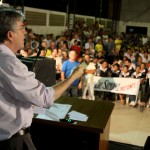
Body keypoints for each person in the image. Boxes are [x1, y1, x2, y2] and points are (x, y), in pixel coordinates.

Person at [0, 7, 84, 150]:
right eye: (22, 28)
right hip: (13, 141)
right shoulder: (9, 63)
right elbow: (45, 97)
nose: (25, 32)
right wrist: (73, 76)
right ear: (10, 35)